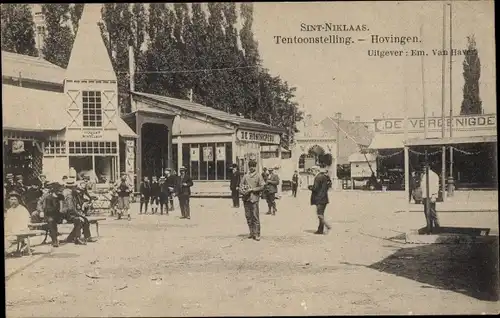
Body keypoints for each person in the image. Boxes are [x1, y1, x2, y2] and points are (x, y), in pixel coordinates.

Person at [61, 179, 94, 245]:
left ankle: (71, 238)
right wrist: (78, 214)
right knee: (80, 220)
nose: (75, 188)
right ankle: (77, 238)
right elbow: (71, 208)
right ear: (72, 187)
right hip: (66, 214)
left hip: (66, 213)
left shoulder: (66, 192)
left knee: (84, 219)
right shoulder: (69, 195)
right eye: (74, 187)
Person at [240, 160, 265, 241]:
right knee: (248, 217)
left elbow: (262, 187)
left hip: (254, 199)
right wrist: (242, 190)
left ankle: (257, 234)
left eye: (253, 166)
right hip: (246, 199)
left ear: (255, 167)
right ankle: (251, 232)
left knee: (255, 217)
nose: (251, 168)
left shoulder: (258, 176)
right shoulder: (245, 176)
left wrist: (252, 189)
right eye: (250, 166)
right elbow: (241, 185)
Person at [37, 182, 65, 247]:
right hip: (49, 214)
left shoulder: (61, 196)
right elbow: (44, 207)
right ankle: (54, 240)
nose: (59, 192)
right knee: (51, 221)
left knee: (53, 220)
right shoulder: (47, 197)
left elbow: (63, 207)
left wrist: (61, 209)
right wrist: (41, 211)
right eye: (58, 190)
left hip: (58, 215)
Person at [308, 166, 332, 235]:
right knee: (321, 214)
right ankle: (320, 230)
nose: (312, 172)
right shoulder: (325, 177)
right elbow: (328, 185)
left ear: (315, 170)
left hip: (319, 198)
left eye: (312, 171)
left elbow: (315, 188)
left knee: (319, 214)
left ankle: (327, 226)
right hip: (324, 198)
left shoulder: (317, 177)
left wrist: (310, 187)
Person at [420, 163, 440, 234]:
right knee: (426, 212)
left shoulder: (434, 175)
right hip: (425, 196)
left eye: (425, 167)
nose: (423, 169)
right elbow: (422, 187)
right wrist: (422, 197)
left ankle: (437, 227)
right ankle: (429, 227)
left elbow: (436, 186)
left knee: (432, 213)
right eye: (423, 168)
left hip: (431, 196)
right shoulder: (424, 175)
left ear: (428, 167)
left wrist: (434, 195)